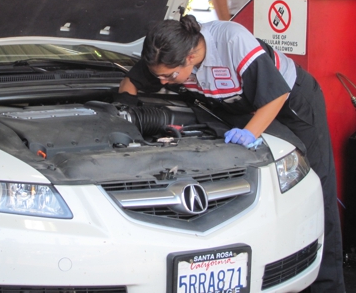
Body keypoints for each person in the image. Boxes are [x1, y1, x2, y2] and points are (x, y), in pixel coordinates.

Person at [118, 16, 345, 293]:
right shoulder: (164, 53)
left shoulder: (231, 40)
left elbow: (274, 96)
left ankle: (328, 286)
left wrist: (250, 133)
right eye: (159, 76)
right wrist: (124, 116)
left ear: (191, 56)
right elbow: (130, 82)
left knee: (315, 187)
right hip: (237, 105)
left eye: (169, 76)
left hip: (290, 102)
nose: (163, 81)